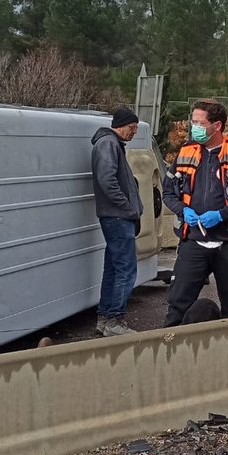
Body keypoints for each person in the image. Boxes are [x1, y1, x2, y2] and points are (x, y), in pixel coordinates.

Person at [162, 99, 228, 326]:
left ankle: (227, 354)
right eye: (193, 121)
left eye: (199, 122)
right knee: (177, 303)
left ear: (217, 125)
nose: (193, 126)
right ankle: (168, 352)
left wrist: (221, 215)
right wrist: (183, 209)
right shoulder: (185, 153)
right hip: (194, 240)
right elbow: (168, 193)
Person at [91, 106, 144, 337]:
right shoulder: (109, 143)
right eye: (132, 128)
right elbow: (107, 180)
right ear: (121, 125)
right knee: (126, 269)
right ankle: (115, 320)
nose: (133, 132)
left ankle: (105, 318)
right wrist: (128, 206)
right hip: (117, 217)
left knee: (113, 268)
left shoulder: (110, 143)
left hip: (114, 216)